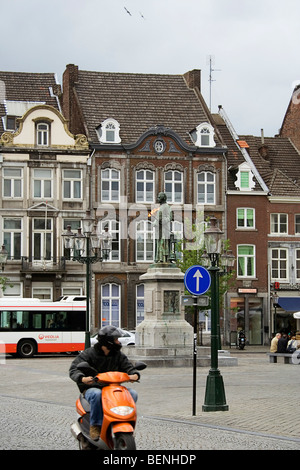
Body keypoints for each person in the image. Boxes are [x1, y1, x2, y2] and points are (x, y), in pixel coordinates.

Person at [69, 325, 140, 441]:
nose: (118, 342)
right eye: (116, 339)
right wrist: (82, 378)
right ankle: (95, 426)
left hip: (113, 387)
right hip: (93, 387)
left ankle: (125, 421)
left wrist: (134, 374)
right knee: (97, 395)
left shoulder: (118, 355)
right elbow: (73, 369)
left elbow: (128, 367)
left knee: (132, 394)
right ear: (108, 342)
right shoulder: (89, 354)